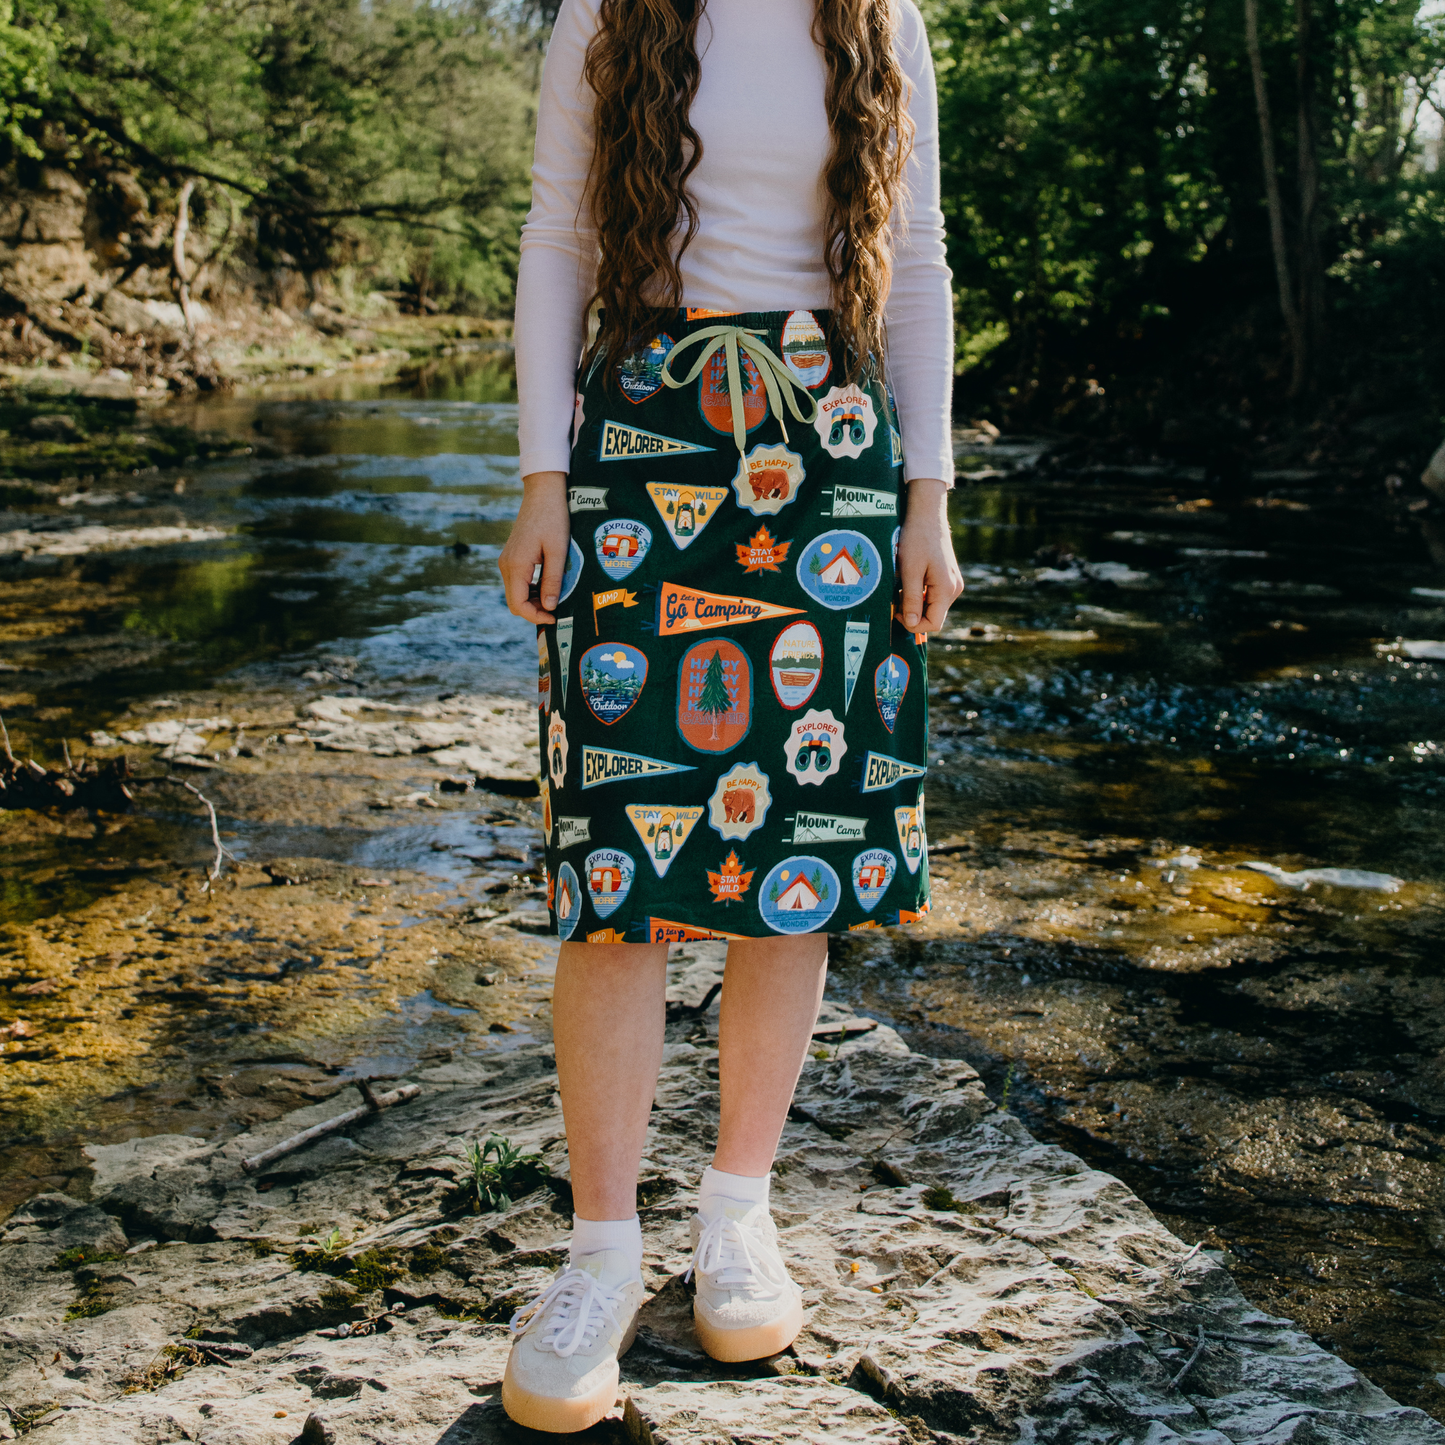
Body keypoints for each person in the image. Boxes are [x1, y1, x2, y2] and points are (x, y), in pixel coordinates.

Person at [497, 0, 963, 1430]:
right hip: (642, 428)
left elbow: (925, 258)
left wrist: (931, 497)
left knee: (797, 857)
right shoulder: (610, 11)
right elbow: (559, 242)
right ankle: (599, 1254)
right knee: (619, 871)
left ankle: (736, 1217)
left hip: (830, 443)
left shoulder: (880, 19)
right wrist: (541, 476)